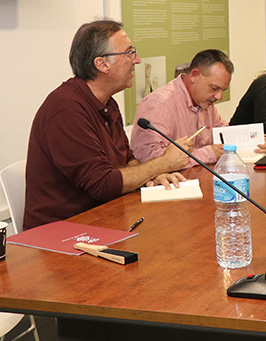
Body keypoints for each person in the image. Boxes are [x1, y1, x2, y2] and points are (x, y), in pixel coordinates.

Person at [24, 20, 190, 230]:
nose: (137, 60)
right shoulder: (66, 109)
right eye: (129, 52)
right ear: (102, 64)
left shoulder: (106, 102)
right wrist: (163, 163)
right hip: (61, 233)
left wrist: (152, 175)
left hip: (104, 219)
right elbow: (102, 185)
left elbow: (127, 159)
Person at [131, 49, 266, 168]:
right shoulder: (160, 104)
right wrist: (208, 154)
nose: (219, 96)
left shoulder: (205, 102)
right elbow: (149, 159)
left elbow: (227, 134)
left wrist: (259, 140)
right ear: (194, 76)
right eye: (215, 88)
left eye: (223, 90)